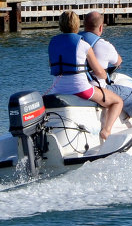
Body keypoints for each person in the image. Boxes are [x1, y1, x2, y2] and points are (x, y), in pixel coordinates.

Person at [46, 10, 122, 141]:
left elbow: (53, 65)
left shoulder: (53, 43)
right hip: (81, 89)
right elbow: (98, 71)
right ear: (77, 25)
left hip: (57, 89)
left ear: (60, 25)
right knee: (117, 101)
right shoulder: (83, 44)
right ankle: (106, 131)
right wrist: (105, 75)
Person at [78, 11, 132, 125]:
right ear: (101, 27)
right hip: (97, 88)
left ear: (84, 25)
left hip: (77, 86)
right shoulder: (104, 45)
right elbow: (118, 61)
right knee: (131, 95)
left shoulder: (76, 42)